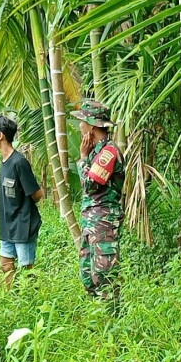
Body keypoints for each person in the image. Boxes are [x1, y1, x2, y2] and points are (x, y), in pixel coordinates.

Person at [70, 100, 126, 298]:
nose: (80, 127)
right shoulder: (97, 151)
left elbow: (90, 184)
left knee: (105, 276)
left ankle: (112, 321)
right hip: (92, 223)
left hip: (103, 223)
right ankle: (98, 321)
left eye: (82, 123)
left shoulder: (108, 152)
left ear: (92, 126)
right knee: (88, 274)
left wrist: (83, 158)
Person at [0, 115, 44, 286]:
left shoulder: (19, 162)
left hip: (22, 225)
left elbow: (37, 194)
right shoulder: (4, 162)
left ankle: (31, 301)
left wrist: (22, 210)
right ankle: (11, 300)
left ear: (1, 135)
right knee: (5, 264)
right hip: (8, 226)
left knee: (27, 268)